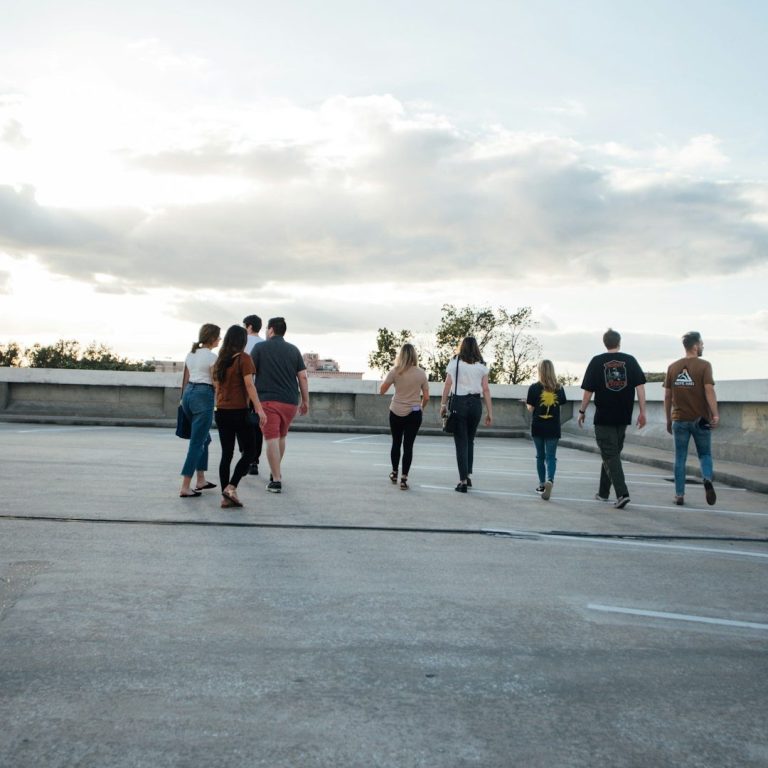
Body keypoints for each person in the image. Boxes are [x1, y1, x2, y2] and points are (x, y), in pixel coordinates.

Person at [578, 328, 647, 509]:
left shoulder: (597, 361)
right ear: (619, 342)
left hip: (604, 417)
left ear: (604, 342)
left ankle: (622, 493)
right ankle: (603, 493)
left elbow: (588, 392)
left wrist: (582, 411)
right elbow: (640, 388)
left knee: (610, 455)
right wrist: (642, 412)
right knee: (611, 454)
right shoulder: (630, 361)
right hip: (623, 416)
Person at [251, 317, 309, 493]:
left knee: (271, 439)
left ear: (270, 330)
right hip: (290, 401)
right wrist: (305, 401)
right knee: (281, 437)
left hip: (268, 401)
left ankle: (276, 479)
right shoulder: (294, 350)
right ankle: (274, 471)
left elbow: (249, 373)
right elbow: (303, 377)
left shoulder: (260, 348)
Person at [213, 325, 267, 508]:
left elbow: (216, 386)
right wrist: (259, 409)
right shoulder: (243, 358)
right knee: (250, 451)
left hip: (221, 411)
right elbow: (249, 385)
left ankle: (226, 496)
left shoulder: (220, 360)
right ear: (242, 341)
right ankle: (231, 486)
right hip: (239, 412)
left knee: (226, 454)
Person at [663, 331, 719, 506]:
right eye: (701, 344)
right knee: (705, 454)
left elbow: (667, 396)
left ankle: (679, 495)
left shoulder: (672, 367)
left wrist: (668, 420)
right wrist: (715, 413)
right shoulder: (704, 366)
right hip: (700, 419)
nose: (702, 346)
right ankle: (707, 479)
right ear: (695, 346)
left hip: (679, 419)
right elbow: (709, 390)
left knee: (680, 457)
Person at [440, 337, 493, 493]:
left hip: (459, 404)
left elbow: (448, 384)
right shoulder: (482, 366)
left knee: (461, 442)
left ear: (461, 347)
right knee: (470, 440)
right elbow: (486, 389)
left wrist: (443, 405)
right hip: (476, 405)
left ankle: (462, 481)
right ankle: (468, 475)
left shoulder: (455, 362)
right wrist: (490, 412)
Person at [380, 343, 430, 490]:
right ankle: (404, 479)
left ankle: (394, 473)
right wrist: (420, 407)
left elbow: (382, 390)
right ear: (414, 355)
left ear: (400, 355)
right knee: (408, 446)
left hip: (395, 411)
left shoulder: (395, 371)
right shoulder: (421, 373)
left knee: (396, 442)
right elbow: (426, 397)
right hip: (414, 413)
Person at [179, 324, 220, 498]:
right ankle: (185, 486)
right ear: (212, 338)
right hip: (203, 395)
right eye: (218, 337)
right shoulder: (212, 357)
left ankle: (201, 479)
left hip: (188, 396)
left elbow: (185, 380)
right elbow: (215, 382)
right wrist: (219, 402)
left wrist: (182, 401)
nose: (220, 339)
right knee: (197, 442)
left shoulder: (191, 354)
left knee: (205, 438)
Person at [525, 359, 567, 501]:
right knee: (551, 457)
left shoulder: (534, 388)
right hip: (553, 426)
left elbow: (531, 408)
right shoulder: (560, 388)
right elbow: (560, 406)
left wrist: (527, 404)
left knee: (540, 456)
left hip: (538, 426)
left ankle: (542, 485)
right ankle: (550, 480)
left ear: (540, 371)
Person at [242, 314, 265, 476]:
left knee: (242, 424)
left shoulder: (242, 343)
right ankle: (254, 461)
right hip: (260, 390)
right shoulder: (265, 344)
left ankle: (245, 455)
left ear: (249, 326)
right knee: (257, 426)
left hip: (243, 390)